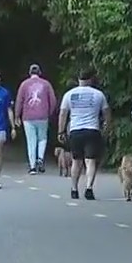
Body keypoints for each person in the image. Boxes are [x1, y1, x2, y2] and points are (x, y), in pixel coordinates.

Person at [58, 68, 111, 201]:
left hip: (75, 130)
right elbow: (107, 113)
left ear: (78, 80)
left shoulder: (69, 94)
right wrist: (106, 127)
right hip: (92, 130)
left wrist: (61, 131)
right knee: (90, 161)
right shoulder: (98, 94)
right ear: (91, 80)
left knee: (76, 161)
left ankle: (74, 189)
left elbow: (63, 114)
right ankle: (89, 188)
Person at [15, 63, 57, 175]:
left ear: (29, 73)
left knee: (31, 141)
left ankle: (32, 166)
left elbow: (19, 101)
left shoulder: (24, 84)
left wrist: (17, 115)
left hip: (28, 117)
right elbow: (53, 101)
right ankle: (40, 158)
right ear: (40, 72)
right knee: (42, 138)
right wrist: (49, 112)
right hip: (43, 116)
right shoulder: (46, 84)